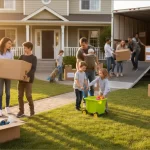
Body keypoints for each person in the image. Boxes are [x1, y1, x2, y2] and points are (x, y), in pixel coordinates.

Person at [17, 42, 37, 118]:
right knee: (20, 96)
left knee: (28, 95)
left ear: (29, 48)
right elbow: (18, 66)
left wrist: (27, 75)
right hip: (21, 80)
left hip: (29, 80)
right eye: (24, 48)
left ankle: (32, 111)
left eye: (25, 48)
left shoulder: (33, 58)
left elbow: (33, 69)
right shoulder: (21, 56)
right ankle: (21, 111)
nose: (24, 49)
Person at [0, 37, 13, 117]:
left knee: (8, 92)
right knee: (0, 92)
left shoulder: (10, 53)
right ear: (4, 43)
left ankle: (7, 106)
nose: (10, 45)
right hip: (0, 75)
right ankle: (0, 109)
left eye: (11, 44)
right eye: (9, 43)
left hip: (8, 74)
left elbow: (12, 64)